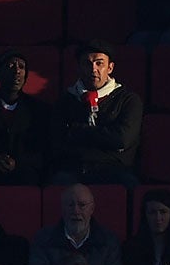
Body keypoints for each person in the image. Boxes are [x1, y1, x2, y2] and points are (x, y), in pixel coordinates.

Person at [47, 42, 144, 187]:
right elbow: (58, 140)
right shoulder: (66, 100)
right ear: (79, 68)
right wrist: (106, 137)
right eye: (87, 63)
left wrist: (78, 130)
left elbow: (122, 139)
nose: (93, 69)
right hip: (75, 169)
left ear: (110, 67)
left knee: (129, 184)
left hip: (115, 169)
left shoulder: (129, 100)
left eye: (99, 63)